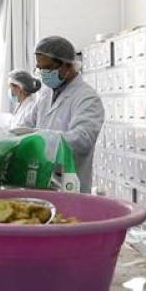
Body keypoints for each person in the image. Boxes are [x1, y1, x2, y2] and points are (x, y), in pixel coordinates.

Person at [19, 36, 104, 192]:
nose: (43, 73)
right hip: (41, 179)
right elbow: (25, 125)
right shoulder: (45, 94)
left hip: (69, 183)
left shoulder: (87, 98)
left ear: (67, 65)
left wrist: (41, 138)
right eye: (39, 68)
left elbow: (82, 140)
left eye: (47, 68)